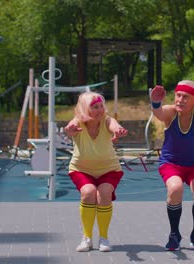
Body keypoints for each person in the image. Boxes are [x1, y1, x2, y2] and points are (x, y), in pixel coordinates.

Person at [150, 80, 194, 251]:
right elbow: (158, 112)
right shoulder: (171, 113)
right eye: (178, 96)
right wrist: (156, 102)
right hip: (172, 163)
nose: (180, 100)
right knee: (175, 188)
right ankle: (174, 234)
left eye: (185, 97)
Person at [64, 91, 128, 252]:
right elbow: (70, 130)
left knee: (103, 194)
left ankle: (104, 238)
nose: (100, 110)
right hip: (81, 169)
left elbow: (114, 126)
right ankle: (86, 238)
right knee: (88, 192)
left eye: (101, 106)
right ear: (86, 109)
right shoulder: (78, 122)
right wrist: (70, 130)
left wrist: (118, 131)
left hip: (109, 169)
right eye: (95, 107)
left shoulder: (107, 120)